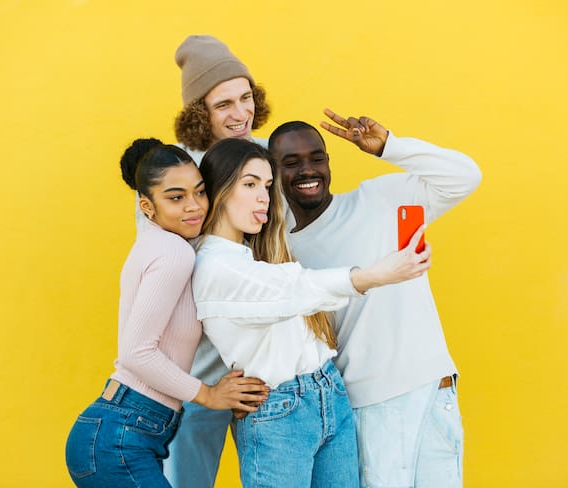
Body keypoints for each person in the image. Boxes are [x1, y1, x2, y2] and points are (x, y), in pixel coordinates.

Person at [191, 137, 433, 487]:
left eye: (268, 185)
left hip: (328, 392)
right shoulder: (214, 266)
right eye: (249, 184)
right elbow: (293, 289)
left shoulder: (252, 252)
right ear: (219, 190)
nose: (264, 196)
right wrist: (374, 275)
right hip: (279, 413)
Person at [268, 112, 482, 488]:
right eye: (291, 163)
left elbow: (465, 177)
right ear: (273, 173)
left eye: (316, 158)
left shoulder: (378, 199)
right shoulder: (281, 251)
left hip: (433, 389)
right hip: (366, 406)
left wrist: (390, 146)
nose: (307, 170)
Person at [64, 139, 269, 488]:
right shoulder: (175, 253)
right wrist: (208, 395)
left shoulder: (159, 245)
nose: (194, 207)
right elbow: (136, 352)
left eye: (200, 192)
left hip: (121, 430)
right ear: (147, 205)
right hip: (122, 437)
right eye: (176, 197)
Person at [163, 35, 272, 487]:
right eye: (223, 103)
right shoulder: (173, 171)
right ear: (198, 114)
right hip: (199, 367)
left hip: (265, 367)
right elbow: (169, 268)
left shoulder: (268, 154)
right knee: (186, 479)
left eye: (245, 97)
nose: (240, 113)